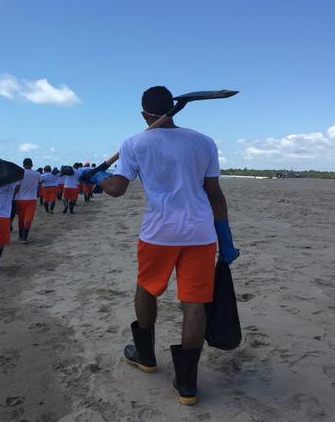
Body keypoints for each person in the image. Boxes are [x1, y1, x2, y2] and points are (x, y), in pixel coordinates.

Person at [84, 86, 239, 405]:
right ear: (171, 107)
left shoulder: (134, 144)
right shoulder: (204, 141)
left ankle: (145, 355)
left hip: (158, 233)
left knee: (146, 289)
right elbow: (215, 194)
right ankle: (187, 385)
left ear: (144, 114)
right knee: (194, 303)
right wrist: (225, 237)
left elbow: (117, 189)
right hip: (200, 233)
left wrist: (96, 178)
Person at [14, 158, 41, 244]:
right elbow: (40, 182)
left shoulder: (20, 174)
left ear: (23, 165)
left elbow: (17, 187)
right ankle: (24, 238)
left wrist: (13, 196)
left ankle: (21, 235)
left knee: (21, 219)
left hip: (20, 199)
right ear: (32, 165)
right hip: (32, 199)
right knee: (28, 219)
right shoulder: (37, 174)